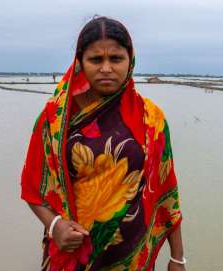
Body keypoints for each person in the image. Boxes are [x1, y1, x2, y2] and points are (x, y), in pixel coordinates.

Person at [21, 16, 186, 271]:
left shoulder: (152, 118)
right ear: (80, 63)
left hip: (133, 257)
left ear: (130, 60)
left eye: (116, 59)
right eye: (96, 59)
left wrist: (177, 257)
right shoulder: (55, 119)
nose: (106, 68)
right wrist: (55, 227)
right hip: (74, 253)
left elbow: (167, 190)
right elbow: (32, 187)